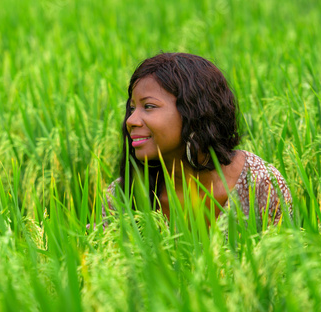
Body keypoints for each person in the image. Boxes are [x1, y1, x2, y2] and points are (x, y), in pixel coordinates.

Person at [102, 52, 292, 230]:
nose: (131, 120)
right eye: (132, 108)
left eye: (149, 106)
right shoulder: (123, 195)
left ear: (195, 111)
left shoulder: (260, 185)